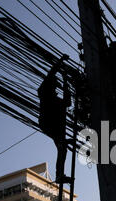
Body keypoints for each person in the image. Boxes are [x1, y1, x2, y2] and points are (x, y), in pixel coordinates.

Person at [38, 55, 72, 184]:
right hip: (49, 123)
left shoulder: (57, 100)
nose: (55, 89)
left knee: (63, 149)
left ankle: (59, 175)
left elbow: (67, 103)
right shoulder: (44, 92)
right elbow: (51, 73)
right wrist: (61, 61)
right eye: (54, 86)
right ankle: (59, 174)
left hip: (55, 126)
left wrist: (65, 82)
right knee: (62, 146)